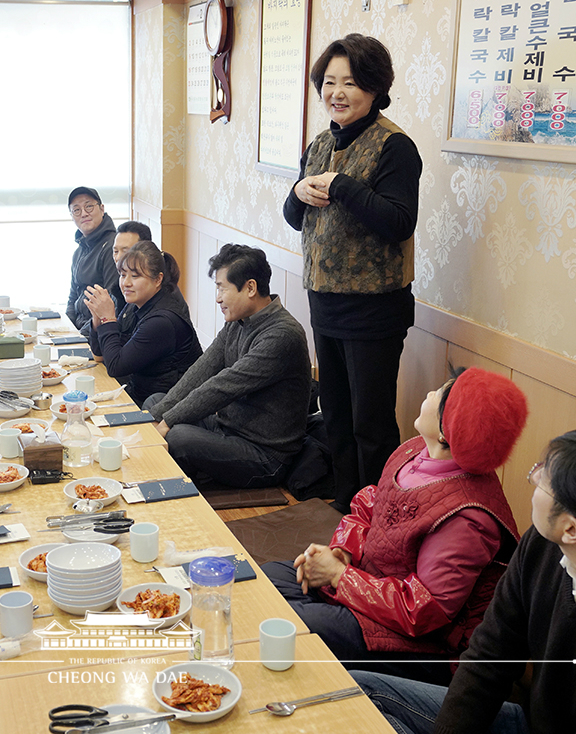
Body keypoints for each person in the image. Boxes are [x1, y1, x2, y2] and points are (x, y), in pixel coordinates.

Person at [352, 428, 576, 733]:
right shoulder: (546, 545)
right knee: (354, 695)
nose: (535, 475)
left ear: (573, 528)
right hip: (530, 722)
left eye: (544, 477)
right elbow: (488, 657)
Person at [264, 368, 526, 685]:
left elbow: (423, 610)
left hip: (424, 645)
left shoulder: (468, 517)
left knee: (292, 625)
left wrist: (338, 576)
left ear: (448, 429)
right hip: (369, 587)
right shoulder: (414, 449)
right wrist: (342, 552)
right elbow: (371, 504)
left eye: (438, 394)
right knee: (267, 582)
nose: (429, 394)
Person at [283, 33, 423, 514]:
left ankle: (382, 519)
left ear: (375, 87)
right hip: (324, 302)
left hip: (374, 309)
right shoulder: (320, 142)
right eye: (328, 81)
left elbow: (398, 220)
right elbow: (294, 214)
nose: (336, 92)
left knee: (372, 424)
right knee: (337, 417)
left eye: (350, 82)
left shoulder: (395, 146)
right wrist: (299, 190)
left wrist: (342, 186)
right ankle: (347, 514)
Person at [144, 244, 310, 488]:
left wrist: (166, 422)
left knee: (177, 435)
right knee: (155, 402)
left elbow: (222, 387)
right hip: (226, 429)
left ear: (250, 287)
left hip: (265, 456)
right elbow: (202, 370)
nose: (218, 298)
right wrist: (158, 416)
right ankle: (178, 476)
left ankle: (180, 485)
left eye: (222, 288)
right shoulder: (238, 321)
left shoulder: (282, 335)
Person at [83, 241, 202, 408]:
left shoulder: (162, 321)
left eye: (135, 276)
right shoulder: (136, 305)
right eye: (123, 275)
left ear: (158, 279)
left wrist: (108, 319)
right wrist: (98, 319)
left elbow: (116, 366)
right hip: (139, 393)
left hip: (163, 405)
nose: (126, 283)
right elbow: (100, 354)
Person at [65, 186, 118, 329]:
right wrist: (66, 327)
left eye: (89, 207)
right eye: (76, 210)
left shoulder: (113, 247)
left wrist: (81, 337)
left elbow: (113, 303)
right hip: (78, 327)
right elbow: (72, 297)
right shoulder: (79, 251)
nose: (83, 214)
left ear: (101, 209)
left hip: (96, 331)